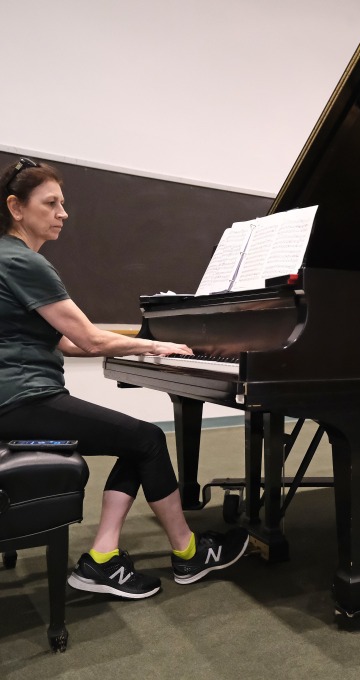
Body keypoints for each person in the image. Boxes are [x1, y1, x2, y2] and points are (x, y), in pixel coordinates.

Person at [0, 157, 249, 599]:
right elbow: (91, 341)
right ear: (16, 208)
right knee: (147, 439)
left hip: (16, 399)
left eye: (64, 203)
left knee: (136, 440)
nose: (64, 214)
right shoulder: (22, 262)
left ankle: (102, 557)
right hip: (22, 401)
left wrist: (145, 342)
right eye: (51, 203)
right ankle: (188, 553)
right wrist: (154, 345)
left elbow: (66, 343)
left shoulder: (9, 259)